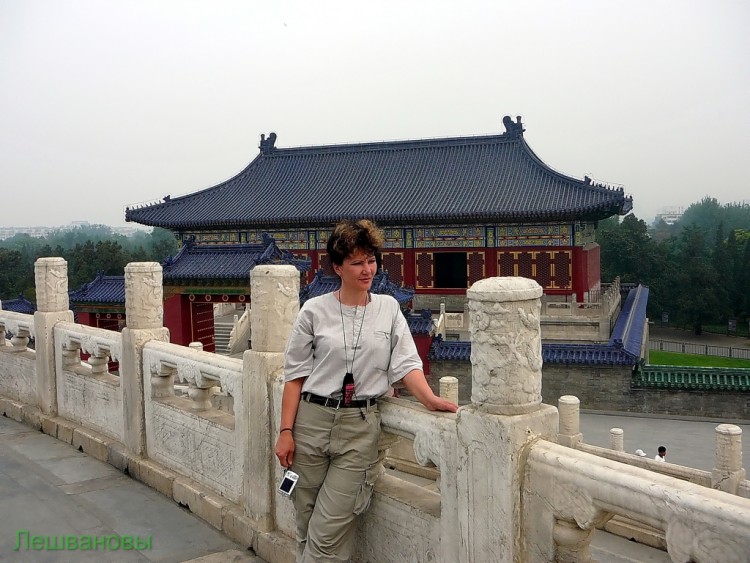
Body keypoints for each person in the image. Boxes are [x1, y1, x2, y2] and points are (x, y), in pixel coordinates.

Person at [274, 219, 458, 562]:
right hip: (310, 423)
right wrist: (286, 431)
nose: (367, 269)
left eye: (371, 260)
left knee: (327, 531)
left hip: (359, 428)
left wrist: (429, 398)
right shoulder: (313, 311)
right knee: (306, 522)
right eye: (357, 262)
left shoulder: (388, 308)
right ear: (338, 266)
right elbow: (295, 377)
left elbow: (406, 363)